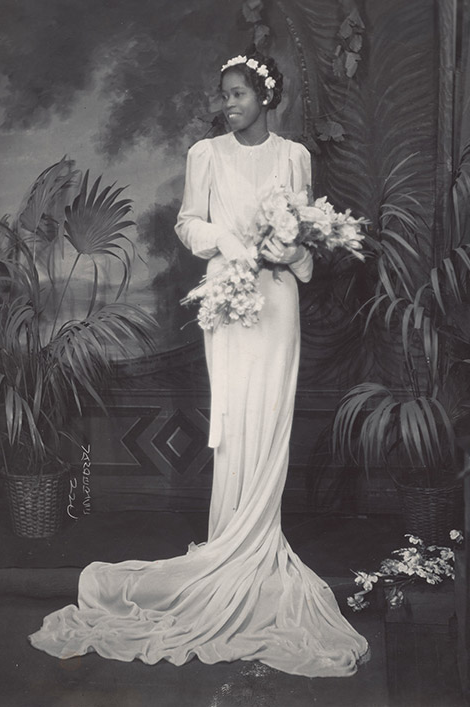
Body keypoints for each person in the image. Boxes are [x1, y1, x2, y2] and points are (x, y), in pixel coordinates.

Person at [29, 49, 369, 678]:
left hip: (278, 299)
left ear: (266, 98)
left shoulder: (295, 156)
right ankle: (231, 541)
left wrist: (290, 248)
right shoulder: (205, 155)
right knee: (237, 417)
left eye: (238, 94)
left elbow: (306, 233)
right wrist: (233, 242)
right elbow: (189, 224)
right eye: (224, 95)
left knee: (272, 415)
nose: (227, 104)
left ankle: (259, 540)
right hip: (229, 297)